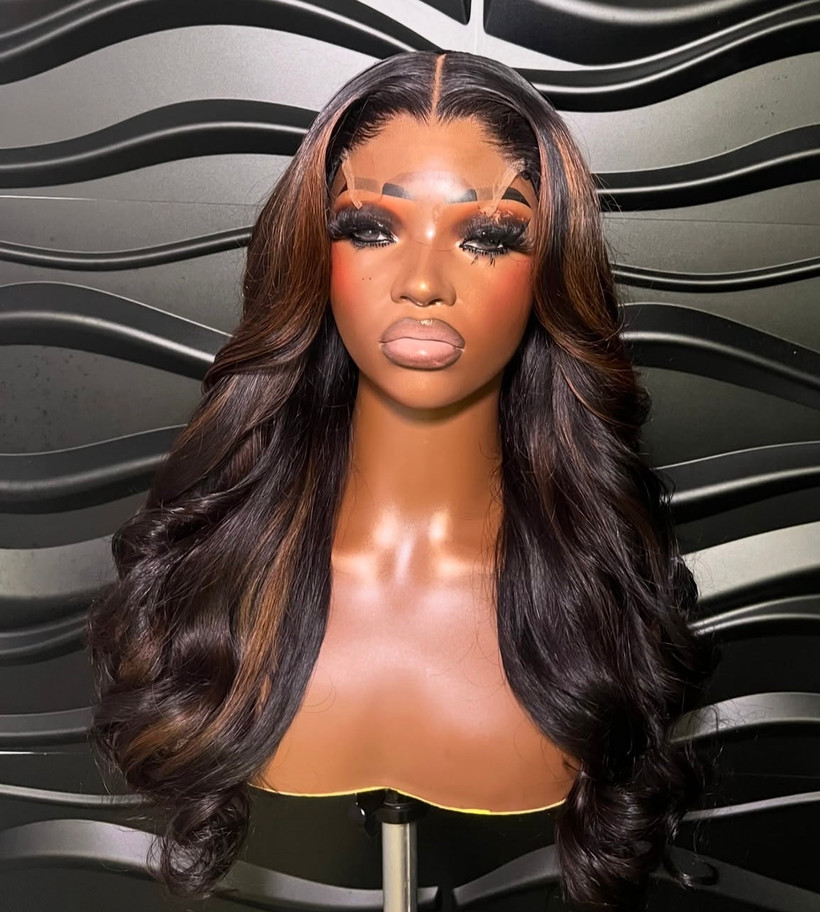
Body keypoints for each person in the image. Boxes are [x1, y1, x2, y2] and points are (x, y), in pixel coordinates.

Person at [87, 50, 717, 910]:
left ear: (547, 271)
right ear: (316, 253)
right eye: (371, 229)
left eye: (488, 237)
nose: (423, 283)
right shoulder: (223, 591)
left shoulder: (594, 602)